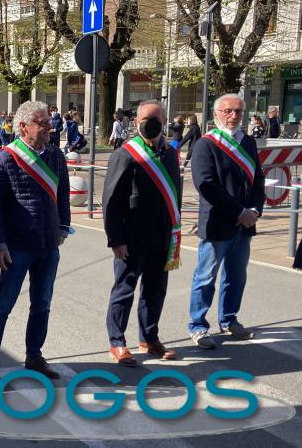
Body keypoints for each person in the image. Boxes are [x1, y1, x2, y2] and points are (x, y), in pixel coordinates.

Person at [0, 101, 71, 383]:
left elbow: (63, 194)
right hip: (17, 245)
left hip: (48, 244)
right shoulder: (3, 160)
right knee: (3, 303)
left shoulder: (55, 155)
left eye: (48, 122)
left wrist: (63, 227)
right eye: (42, 123)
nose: (49, 127)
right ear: (23, 127)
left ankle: (34, 355)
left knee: (42, 303)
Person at [102, 100, 181, 367]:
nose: (151, 124)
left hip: (162, 236)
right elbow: (111, 201)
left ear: (165, 122)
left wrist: (174, 231)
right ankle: (117, 342)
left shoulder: (170, 153)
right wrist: (116, 239)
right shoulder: (126, 154)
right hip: (132, 236)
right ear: (136, 122)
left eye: (157, 119)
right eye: (146, 119)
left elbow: (175, 194)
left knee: (155, 290)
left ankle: (149, 338)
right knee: (124, 291)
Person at [188, 93, 265, 349]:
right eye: (228, 111)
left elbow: (258, 179)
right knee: (205, 277)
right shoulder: (205, 144)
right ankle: (198, 326)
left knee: (236, 276)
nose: (233, 116)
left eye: (238, 111)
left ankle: (229, 319)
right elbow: (206, 185)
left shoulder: (248, 142)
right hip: (218, 223)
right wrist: (239, 212)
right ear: (216, 114)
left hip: (245, 223)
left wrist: (254, 210)